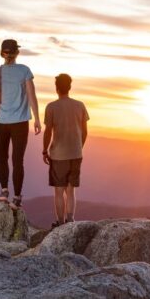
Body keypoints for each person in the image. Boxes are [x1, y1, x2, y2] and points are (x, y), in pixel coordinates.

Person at [0, 39, 41, 210]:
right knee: (18, 160)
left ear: (2, 53)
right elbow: (32, 96)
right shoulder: (24, 71)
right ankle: (17, 197)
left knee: (2, 157)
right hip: (19, 122)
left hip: (1, 121)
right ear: (17, 53)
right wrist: (37, 119)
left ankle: (4, 191)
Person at [42, 73, 89, 226]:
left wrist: (44, 150)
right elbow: (85, 131)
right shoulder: (80, 105)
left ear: (57, 88)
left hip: (58, 155)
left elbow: (48, 131)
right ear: (69, 87)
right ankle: (70, 220)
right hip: (76, 153)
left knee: (58, 191)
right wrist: (78, 147)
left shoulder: (51, 107)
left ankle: (60, 223)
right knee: (71, 190)